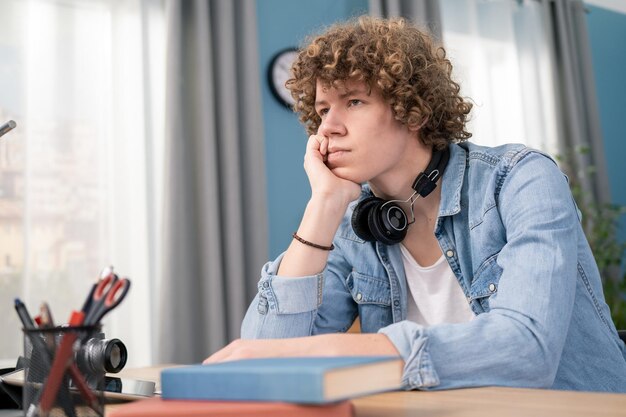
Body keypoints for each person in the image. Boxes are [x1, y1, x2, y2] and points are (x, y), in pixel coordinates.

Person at [204, 16, 626, 392]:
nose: (328, 127)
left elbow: (527, 347)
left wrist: (340, 349)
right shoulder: (356, 227)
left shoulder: (519, 179)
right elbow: (263, 356)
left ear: (414, 110)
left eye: (354, 101)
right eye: (322, 109)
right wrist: (324, 205)